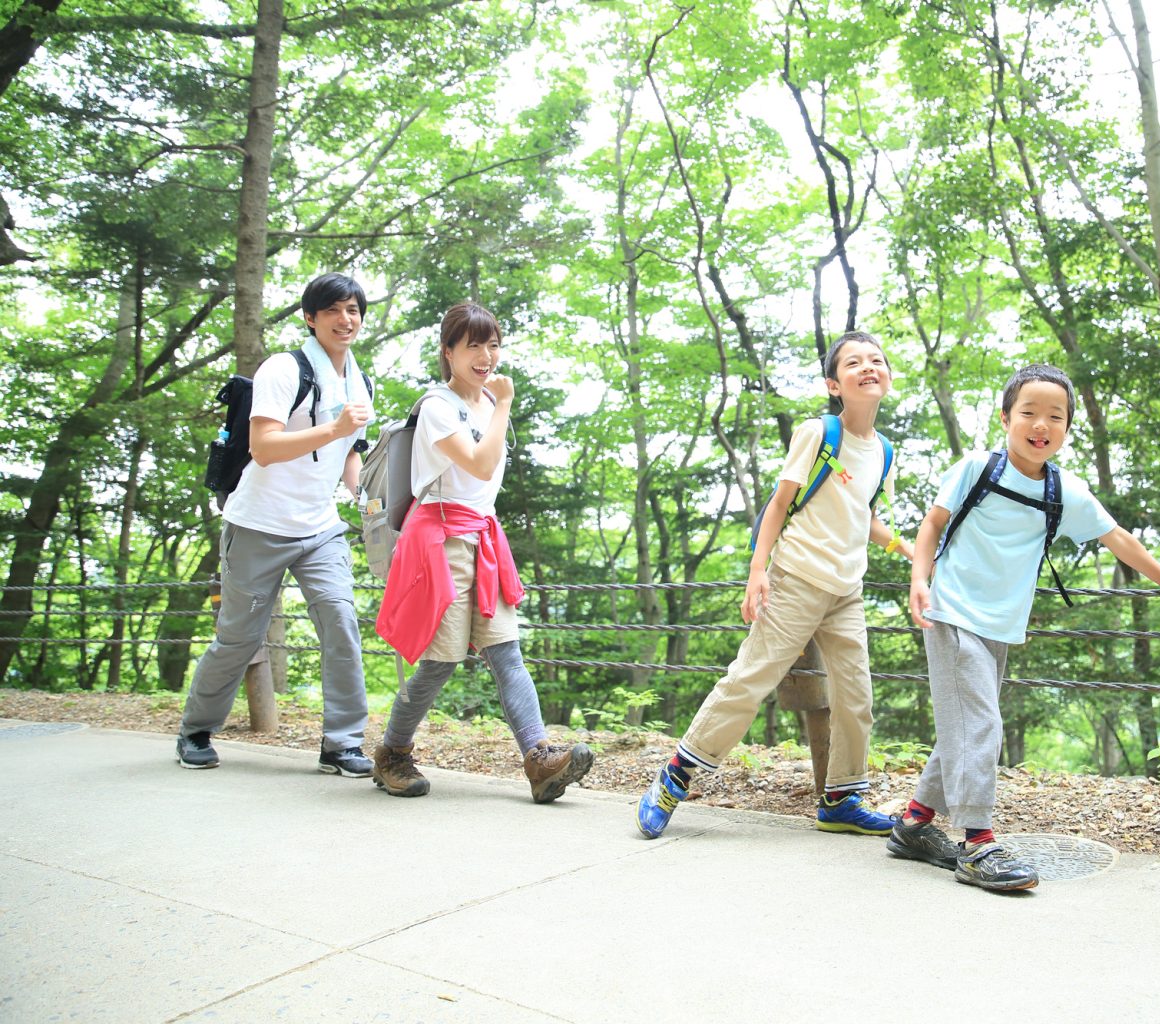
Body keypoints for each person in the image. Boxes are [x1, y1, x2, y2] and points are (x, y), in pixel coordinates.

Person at [897, 363, 1160, 892]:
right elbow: (932, 524)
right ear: (1005, 418)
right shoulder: (977, 468)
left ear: (1066, 428)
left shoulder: (1066, 492)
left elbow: (1119, 539)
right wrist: (918, 581)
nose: (1041, 425)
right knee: (980, 723)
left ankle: (914, 824)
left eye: (1055, 416)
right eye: (1029, 413)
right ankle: (977, 843)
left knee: (966, 723)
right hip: (949, 611)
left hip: (1001, 624)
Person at [636, 330, 912, 839]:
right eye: (854, 362)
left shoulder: (885, 452)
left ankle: (840, 799)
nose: (869, 367)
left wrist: (907, 548)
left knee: (857, 695)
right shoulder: (818, 432)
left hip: (846, 591)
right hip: (796, 579)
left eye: (877, 360)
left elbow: (864, 516)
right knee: (750, 680)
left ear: (889, 377)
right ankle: (675, 776)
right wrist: (757, 573)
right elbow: (780, 503)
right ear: (835, 383)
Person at [371, 301, 593, 803]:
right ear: (448, 351)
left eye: (493, 344)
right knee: (438, 662)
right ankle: (391, 753)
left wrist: (497, 405)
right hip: (440, 540)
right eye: (473, 345)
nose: (486, 356)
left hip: (485, 540)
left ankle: (539, 758)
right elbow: (476, 465)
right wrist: (506, 404)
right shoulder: (437, 407)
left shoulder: (487, 406)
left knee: (506, 651)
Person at [177, 273, 376, 775]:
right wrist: (334, 427)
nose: (344, 319)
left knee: (341, 620)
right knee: (240, 637)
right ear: (310, 317)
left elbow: (350, 452)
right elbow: (264, 447)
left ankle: (342, 743)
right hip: (258, 525)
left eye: (353, 310)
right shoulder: (283, 369)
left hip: (320, 528)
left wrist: (366, 498)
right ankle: (196, 729)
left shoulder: (359, 379)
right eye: (332, 310)